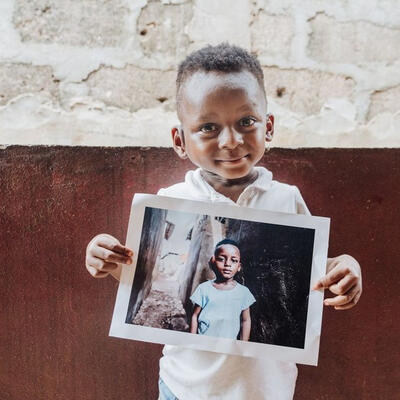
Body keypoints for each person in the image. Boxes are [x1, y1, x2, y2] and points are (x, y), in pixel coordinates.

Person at [85, 43, 363, 400]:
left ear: (269, 126)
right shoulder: (172, 199)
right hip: (184, 388)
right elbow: (140, 274)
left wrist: (346, 267)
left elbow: (311, 274)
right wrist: (104, 259)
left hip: (265, 391)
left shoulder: (285, 198)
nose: (231, 141)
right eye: (208, 127)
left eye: (246, 122)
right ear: (179, 140)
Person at [190, 239, 256, 341]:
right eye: (221, 259)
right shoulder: (204, 288)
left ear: (239, 267)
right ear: (212, 262)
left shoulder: (243, 292)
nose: (227, 264)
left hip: (227, 344)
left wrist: (243, 345)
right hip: (203, 341)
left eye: (233, 260)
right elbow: (195, 316)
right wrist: (192, 340)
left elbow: (246, 320)